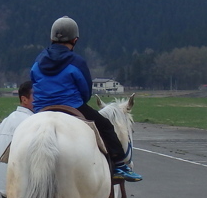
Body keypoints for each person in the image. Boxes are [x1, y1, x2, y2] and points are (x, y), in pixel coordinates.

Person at [30, 16, 142, 182]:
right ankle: (119, 165)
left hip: (41, 108)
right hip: (71, 105)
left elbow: (33, 79)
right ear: (75, 40)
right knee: (105, 126)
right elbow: (85, 90)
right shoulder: (76, 61)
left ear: (51, 38)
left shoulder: (38, 60)